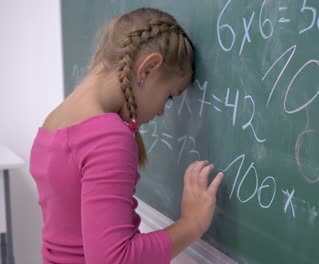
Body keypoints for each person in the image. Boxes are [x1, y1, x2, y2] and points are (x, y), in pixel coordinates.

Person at [29, 7, 224, 264]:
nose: (162, 111)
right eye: (169, 96)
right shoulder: (107, 136)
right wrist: (193, 224)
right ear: (147, 69)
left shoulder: (52, 124)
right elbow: (115, 259)